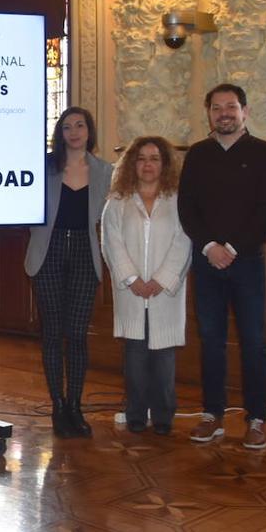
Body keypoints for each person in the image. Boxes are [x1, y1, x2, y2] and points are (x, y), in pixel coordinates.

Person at [178, 83, 266, 448]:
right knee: (211, 341)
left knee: (254, 342)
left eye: (231, 106)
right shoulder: (197, 154)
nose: (224, 113)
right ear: (208, 113)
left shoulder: (264, 153)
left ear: (245, 111)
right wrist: (209, 247)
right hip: (206, 263)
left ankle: (256, 419)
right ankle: (212, 415)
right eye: (217, 107)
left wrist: (232, 248)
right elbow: (186, 208)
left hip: (248, 262)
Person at [25, 107, 113, 438]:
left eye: (80, 126)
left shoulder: (105, 171)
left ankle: (75, 405)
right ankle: (57, 405)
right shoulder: (44, 165)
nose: (73, 132)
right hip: (47, 251)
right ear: (59, 134)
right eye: (66, 127)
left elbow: (113, 217)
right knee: (52, 331)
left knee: (76, 333)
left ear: (89, 131)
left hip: (83, 253)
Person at [101, 137, 191, 436]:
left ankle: (164, 415)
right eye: (141, 158)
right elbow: (111, 242)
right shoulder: (118, 201)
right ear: (132, 164)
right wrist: (133, 279)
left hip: (164, 293)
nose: (148, 164)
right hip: (132, 291)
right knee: (135, 356)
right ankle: (136, 413)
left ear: (164, 164)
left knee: (164, 358)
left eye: (154, 158)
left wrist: (161, 280)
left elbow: (184, 241)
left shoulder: (178, 199)